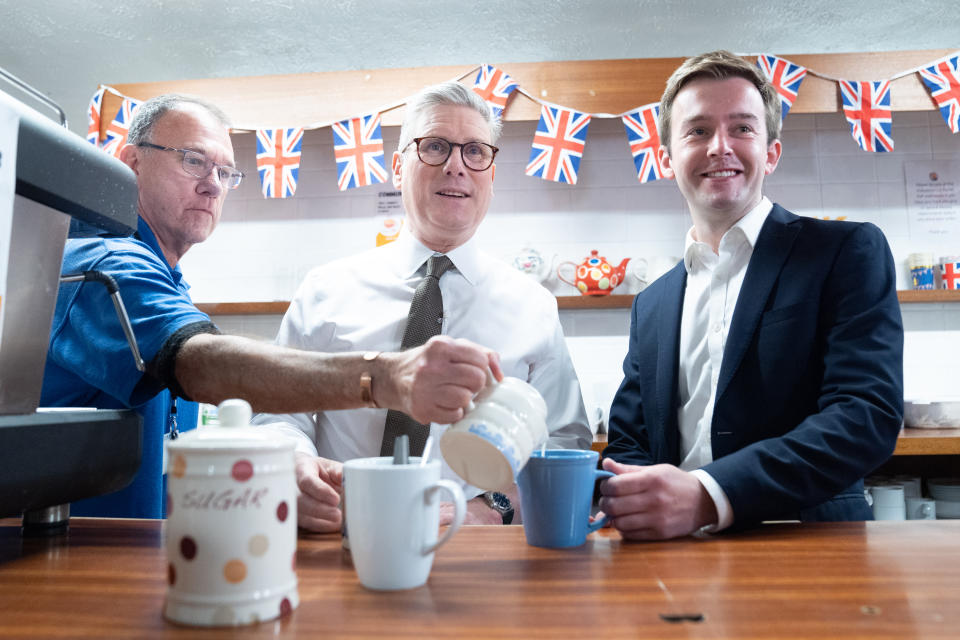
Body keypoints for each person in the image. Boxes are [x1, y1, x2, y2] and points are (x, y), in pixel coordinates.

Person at [40, 94, 502, 518]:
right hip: (71, 563)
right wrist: (386, 378)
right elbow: (201, 365)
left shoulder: (161, 274)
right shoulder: (106, 264)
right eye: (194, 160)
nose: (212, 186)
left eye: (225, 173)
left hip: (133, 554)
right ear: (132, 161)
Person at [253, 81, 592, 532]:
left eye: (475, 151)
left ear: (492, 173)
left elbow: (562, 442)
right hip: (342, 539)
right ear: (397, 167)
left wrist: (494, 507)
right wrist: (295, 465)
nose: (456, 166)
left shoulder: (534, 306)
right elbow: (278, 411)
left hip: (476, 554)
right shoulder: (324, 290)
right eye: (435, 146)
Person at [599, 51, 904, 540]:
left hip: (811, 551)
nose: (720, 146)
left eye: (742, 128)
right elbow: (631, 443)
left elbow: (865, 415)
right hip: (671, 559)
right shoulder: (651, 303)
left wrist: (707, 494)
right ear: (665, 157)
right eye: (697, 131)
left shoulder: (844, 251)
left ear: (772, 152)